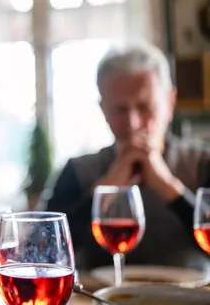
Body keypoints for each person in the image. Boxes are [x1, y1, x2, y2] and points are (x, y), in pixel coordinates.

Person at [41, 42, 210, 271]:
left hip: (192, 302)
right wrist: (106, 188)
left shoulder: (202, 164)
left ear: (170, 101)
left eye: (144, 106)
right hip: (96, 303)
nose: (133, 123)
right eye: (120, 109)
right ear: (103, 110)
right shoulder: (77, 171)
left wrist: (169, 187)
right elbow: (42, 252)